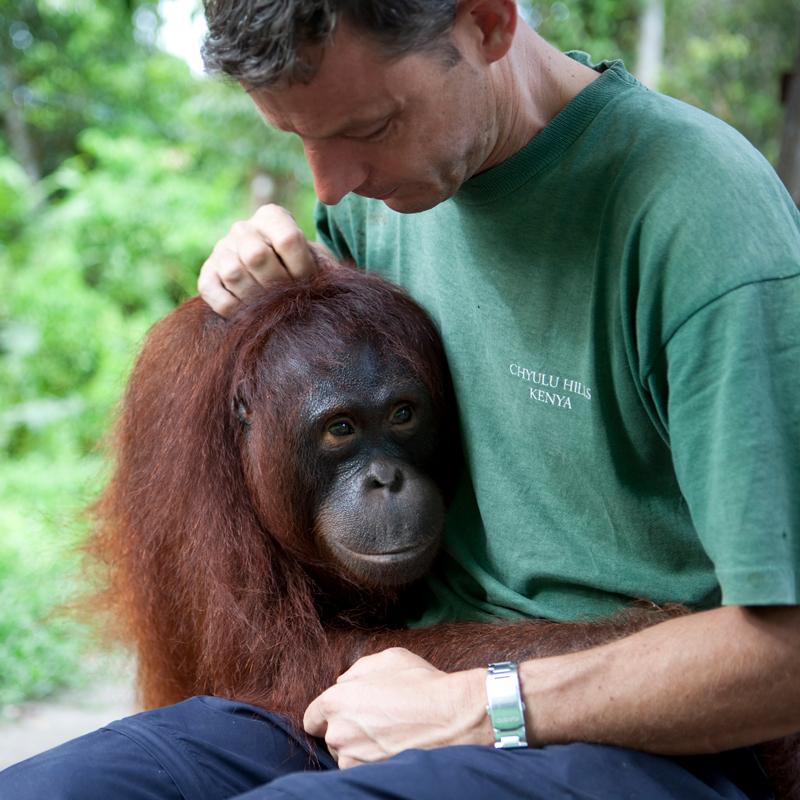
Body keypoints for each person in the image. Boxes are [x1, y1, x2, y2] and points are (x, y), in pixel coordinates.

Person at [2, 1, 798, 798]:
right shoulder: (379, 200)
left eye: (370, 127)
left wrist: (480, 706)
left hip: (650, 743)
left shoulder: (702, 224)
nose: (332, 181)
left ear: (486, 24)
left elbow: (787, 656)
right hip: (389, 696)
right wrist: (261, 305)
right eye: (302, 140)